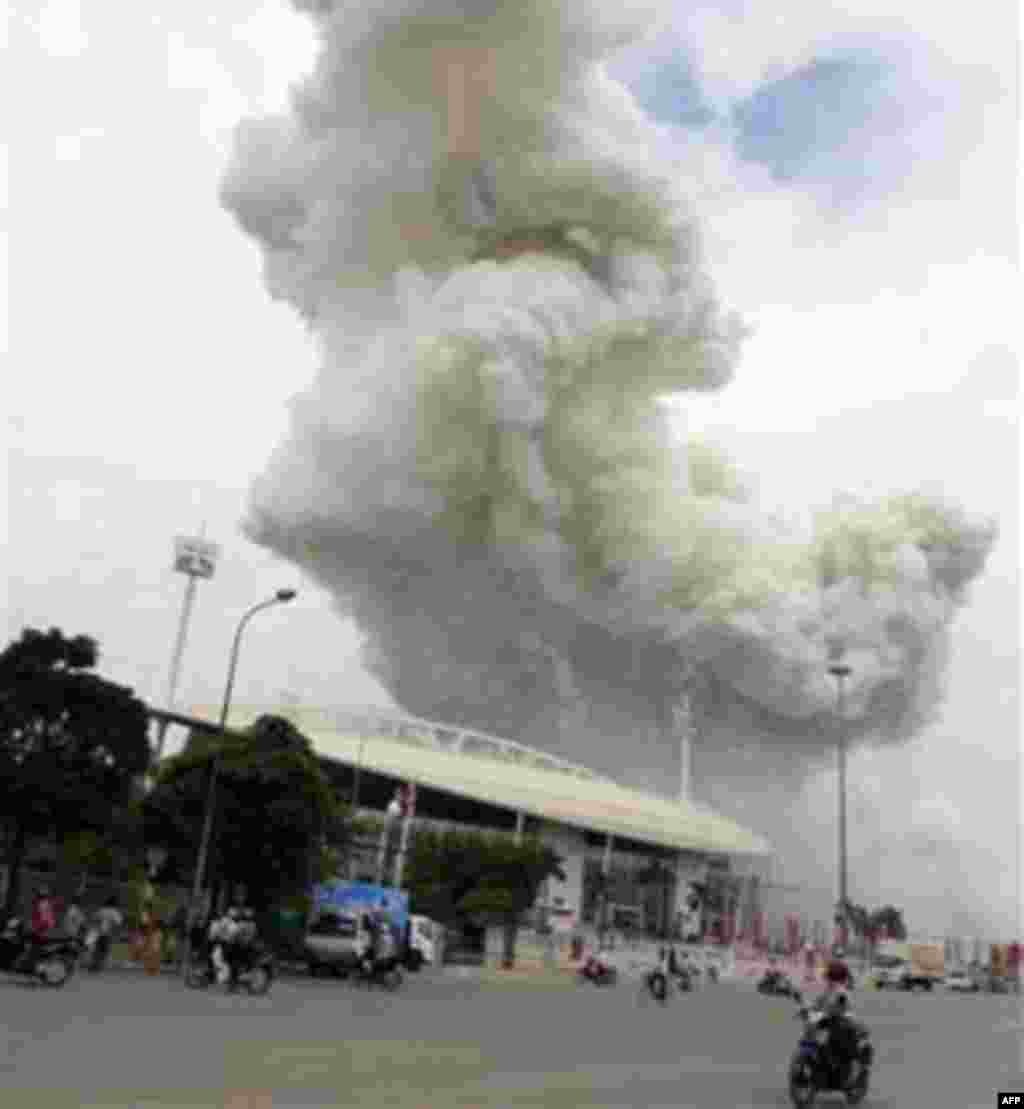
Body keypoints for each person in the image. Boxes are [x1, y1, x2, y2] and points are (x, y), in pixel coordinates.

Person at [89, 896, 123, 973]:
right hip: (107, 933)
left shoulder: (101, 910)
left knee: (97, 949)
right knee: (105, 950)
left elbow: (93, 918)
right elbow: (119, 922)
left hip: (97, 932)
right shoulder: (114, 911)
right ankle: (98, 965)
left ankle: (94, 964)